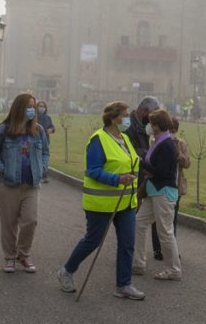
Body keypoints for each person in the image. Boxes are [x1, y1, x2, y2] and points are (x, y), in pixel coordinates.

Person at [57, 101, 143, 300]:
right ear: (114, 118)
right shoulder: (98, 139)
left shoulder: (125, 138)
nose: (128, 118)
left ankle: (124, 284)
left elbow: (132, 163)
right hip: (101, 203)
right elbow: (93, 171)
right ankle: (66, 271)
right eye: (125, 114)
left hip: (125, 203)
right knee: (92, 241)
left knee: (127, 243)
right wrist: (118, 179)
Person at [0, 93, 49, 274]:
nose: (32, 110)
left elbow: (45, 152)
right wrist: (1, 168)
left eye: (33, 106)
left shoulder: (39, 130)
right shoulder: (3, 130)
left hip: (31, 185)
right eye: (28, 106)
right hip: (8, 185)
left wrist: (43, 167)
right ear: (19, 108)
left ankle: (24, 254)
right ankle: (10, 257)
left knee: (30, 221)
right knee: (9, 223)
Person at [133, 109, 182, 281]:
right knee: (139, 223)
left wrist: (143, 164)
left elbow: (161, 172)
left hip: (163, 192)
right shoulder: (157, 141)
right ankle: (138, 263)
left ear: (158, 125)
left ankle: (174, 270)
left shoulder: (167, 144)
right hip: (154, 191)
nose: (149, 126)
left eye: (152, 123)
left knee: (165, 233)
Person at [127, 96, 167, 261]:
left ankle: (155, 251)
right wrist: (149, 154)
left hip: (146, 175)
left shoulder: (143, 125)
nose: (152, 120)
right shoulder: (127, 126)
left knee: (143, 218)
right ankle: (130, 250)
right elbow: (129, 150)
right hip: (131, 176)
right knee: (131, 216)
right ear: (143, 111)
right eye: (151, 115)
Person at [35, 100, 54, 184]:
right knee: (36, 157)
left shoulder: (48, 118)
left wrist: (51, 130)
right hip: (36, 140)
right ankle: (38, 174)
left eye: (43, 106)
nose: (41, 108)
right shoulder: (34, 117)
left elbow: (53, 128)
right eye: (40, 106)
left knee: (45, 157)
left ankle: (44, 175)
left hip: (46, 140)